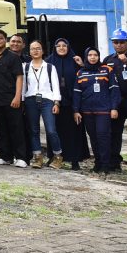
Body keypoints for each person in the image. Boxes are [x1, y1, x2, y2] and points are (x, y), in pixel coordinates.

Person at [73, 47, 119, 173]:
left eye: (95, 55)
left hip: (104, 111)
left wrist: (114, 108)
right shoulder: (80, 72)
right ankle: (97, 162)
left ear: (99, 57)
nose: (93, 57)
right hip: (87, 111)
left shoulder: (107, 70)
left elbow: (114, 90)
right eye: (90, 55)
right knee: (93, 137)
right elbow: (77, 93)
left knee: (103, 137)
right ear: (86, 57)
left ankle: (106, 164)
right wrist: (76, 110)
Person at [0, 29, 27, 168]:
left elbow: (19, 77)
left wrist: (17, 97)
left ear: (6, 40)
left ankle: (21, 157)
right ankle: (5, 156)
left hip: (11, 98)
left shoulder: (13, 57)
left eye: (0, 38)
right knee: (1, 129)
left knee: (16, 128)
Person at [48, 38, 90, 169]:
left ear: (68, 47)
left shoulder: (75, 60)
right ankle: (54, 157)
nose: (61, 48)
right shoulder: (48, 62)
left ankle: (75, 159)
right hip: (55, 102)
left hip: (73, 102)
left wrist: (82, 65)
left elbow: (86, 76)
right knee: (54, 130)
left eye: (64, 45)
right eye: (58, 46)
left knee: (74, 131)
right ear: (54, 48)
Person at [23, 40, 62, 169]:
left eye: (38, 48)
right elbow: (23, 87)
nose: (35, 51)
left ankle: (58, 156)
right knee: (34, 130)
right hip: (30, 100)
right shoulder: (26, 67)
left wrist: (56, 102)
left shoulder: (50, 67)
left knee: (51, 130)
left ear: (43, 51)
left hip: (47, 101)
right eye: (33, 48)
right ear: (29, 51)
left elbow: (56, 86)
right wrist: (23, 101)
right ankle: (37, 157)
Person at [103, 29, 127, 172]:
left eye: (122, 42)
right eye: (116, 42)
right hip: (115, 102)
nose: (119, 45)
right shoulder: (108, 60)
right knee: (114, 133)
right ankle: (114, 163)